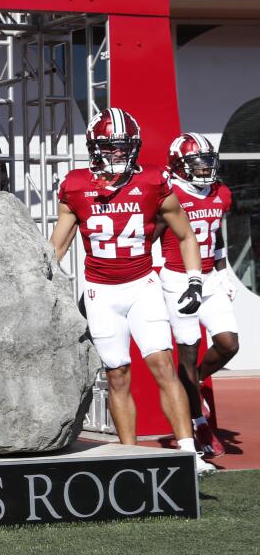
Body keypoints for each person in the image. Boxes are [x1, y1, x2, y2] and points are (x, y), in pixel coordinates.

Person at [50, 108, 215, 474]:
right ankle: (130, 456)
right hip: (100, 292)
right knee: (117, 375)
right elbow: (57, 248)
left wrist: (194, 280)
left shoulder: (154, 181)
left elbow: (185, 234)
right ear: (95, 148)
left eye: (125, 147)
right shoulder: (76, 185)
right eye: (111, 147)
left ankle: (188, 452)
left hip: (143, 285)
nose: (119, 155)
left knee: (162, 365)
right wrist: (43, 285)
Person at [156, 134, 238, 458]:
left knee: (229, 343)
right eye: (197, 163)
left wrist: (223, 271)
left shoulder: (221, 193)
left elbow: (216, 236)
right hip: (177, 278)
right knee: (187, 353)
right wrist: (154, 272)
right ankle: (199, 422)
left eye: (207, 161)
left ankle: (199, 381)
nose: (205, 168)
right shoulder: (171, 194)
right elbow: (151, 237)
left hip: (209, 276)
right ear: (179, 166)